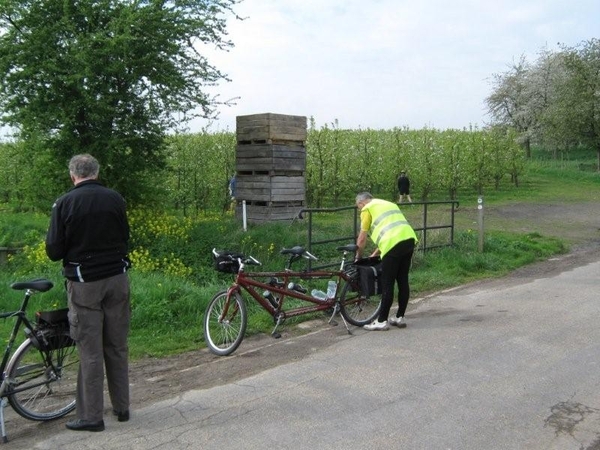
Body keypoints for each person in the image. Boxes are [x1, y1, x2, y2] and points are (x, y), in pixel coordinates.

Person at [45, 154, 131, 432]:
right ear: (96, 172)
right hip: (117, 278)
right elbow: (125, 236)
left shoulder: (65, 203)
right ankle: (122, 407)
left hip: (85, 283)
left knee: (90, 349)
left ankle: (92, 416)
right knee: (116, 345)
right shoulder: (116, 198)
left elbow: (54, 250)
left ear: (73, 175)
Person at [355, 192, 417, 331]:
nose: (359, 210)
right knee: (402, 280)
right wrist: (375, 253)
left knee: (387, 283)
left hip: (392, 245)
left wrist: (358, 258)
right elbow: (391, 230)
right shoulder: (389, 204)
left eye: (358, 207)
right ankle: (399, 317)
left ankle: (381, 321)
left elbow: (361, 239)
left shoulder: (367, 209)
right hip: (409, 240)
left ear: (361, 203)